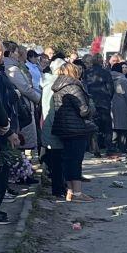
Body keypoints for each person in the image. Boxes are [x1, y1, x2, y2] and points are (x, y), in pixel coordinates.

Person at [50, 60, 96, 199]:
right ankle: (77, 192)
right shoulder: (74, 86)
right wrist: (91, 109)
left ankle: (70, 191)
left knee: (68, 160)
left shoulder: (58, 86)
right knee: (76, 160)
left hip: (63, 128)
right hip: (76, 128)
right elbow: (83, 110)